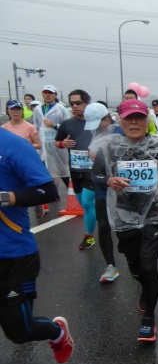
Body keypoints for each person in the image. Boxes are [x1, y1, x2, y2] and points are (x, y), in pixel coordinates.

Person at [0, 126, 75, 364]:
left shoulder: (11, 145)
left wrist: (4, 198)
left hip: (13, 254)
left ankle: (56, 331)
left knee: (19, 331)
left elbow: (46, 190)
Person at [91, 99, 158, 342]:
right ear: (119, 121)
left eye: (139, 118)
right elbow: (95, 176)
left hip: (155, 212)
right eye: (129, 118)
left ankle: (149, 319)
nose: (134, 122)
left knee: (149, 265)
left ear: (147, 120)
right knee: (135, 266)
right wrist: (108, 181)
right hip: (125, 213)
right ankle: (145, 287)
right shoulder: (109, 147)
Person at [55, 89, 97, 250]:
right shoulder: (67, 124)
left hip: (92, 171)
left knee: (86, 203)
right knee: (84, 204)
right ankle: (100, 218)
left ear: (87, 102)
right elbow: (56, 142)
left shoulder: (97, 122)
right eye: (71, 103)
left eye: (78, 103)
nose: (74, 106)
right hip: (75, 169)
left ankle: (89, 236)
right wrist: (62, 144)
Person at [86, 102, 121, 282]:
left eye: (99, 123)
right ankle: (110, 265)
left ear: (107, 118)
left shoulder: (120, 131)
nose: (97, 129)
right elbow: (94, 168)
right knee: (104, 225)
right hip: (102, 186)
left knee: (127, 227)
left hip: (124, 187)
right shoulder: (94, 133)